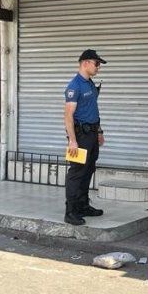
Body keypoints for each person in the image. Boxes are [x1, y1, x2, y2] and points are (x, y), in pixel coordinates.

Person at [63, 49, 107, 225]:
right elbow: (68, 117)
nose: (98, 68)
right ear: (85, 63)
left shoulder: (89, 83)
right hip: (79, 136)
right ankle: (71, 211)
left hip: (91, 134)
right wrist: (72, 141)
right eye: (97, 64)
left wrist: (99, 131)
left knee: (88, 170)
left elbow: (93, 111)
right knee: (77, 172)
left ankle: (83, 206)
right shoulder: (75, 86)